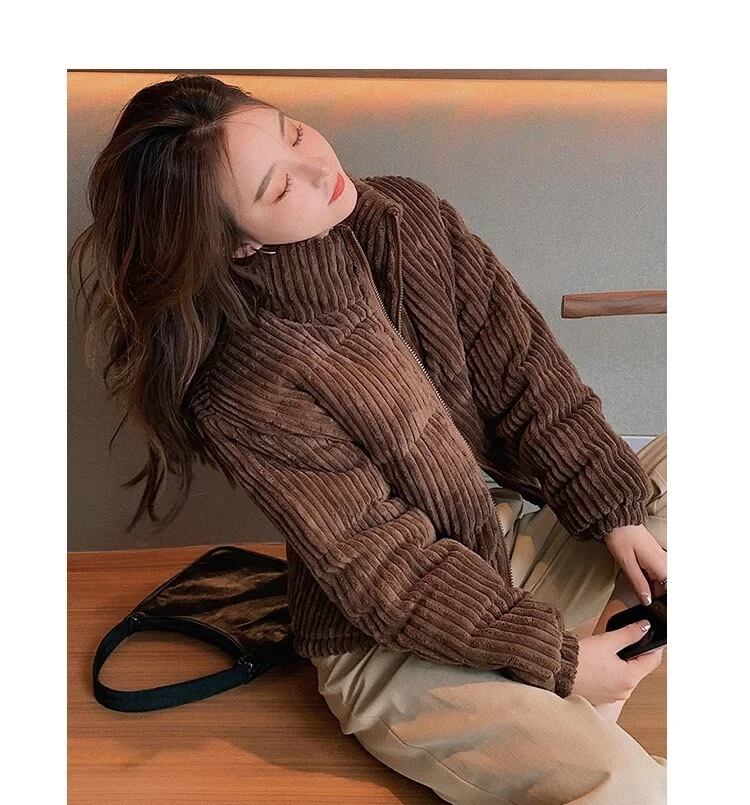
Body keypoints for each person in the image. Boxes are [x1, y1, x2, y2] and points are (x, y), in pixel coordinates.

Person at [69, 74, 667, 803]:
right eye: (277, 187)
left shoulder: (407, 215)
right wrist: (562, 660)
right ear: (237, 245)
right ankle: (572, 702)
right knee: (635, 788)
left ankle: (583, 695)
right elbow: (384, 564)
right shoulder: (239, 387)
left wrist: (615, 514)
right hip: (391, 649)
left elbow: (525, 376)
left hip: (501, 553)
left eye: (293, 132)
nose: (318, 167)